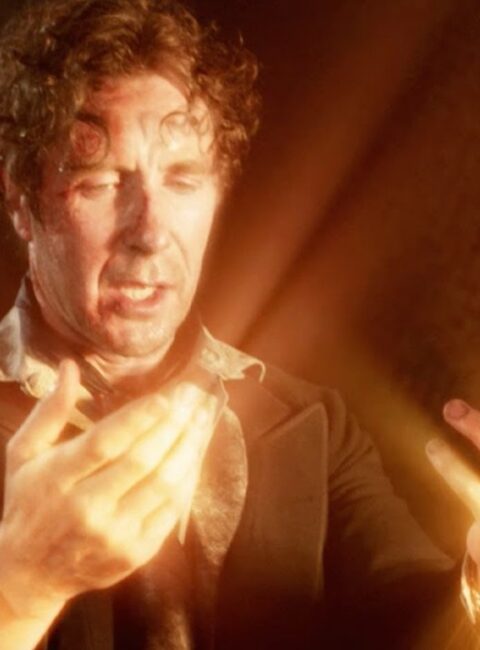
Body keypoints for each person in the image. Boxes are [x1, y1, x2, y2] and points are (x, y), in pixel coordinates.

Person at [0, 0, 478, 648]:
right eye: (103, 182)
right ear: (21, 198)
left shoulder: (314, 425)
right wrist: (18, 591)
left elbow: (419, 627)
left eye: (183, 180)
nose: (150, 233)